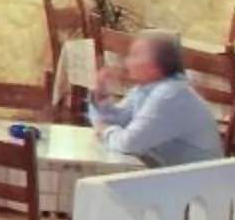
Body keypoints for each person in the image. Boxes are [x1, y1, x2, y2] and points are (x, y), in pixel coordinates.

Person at [89, 29, 225, 168]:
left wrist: (105, 130)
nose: (128, 61)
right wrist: (100, 97)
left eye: (135, 55)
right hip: (169, 175)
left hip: (195, 183)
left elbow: (129, 143)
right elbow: (120, 121)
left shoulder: (171, 95)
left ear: (155, 66)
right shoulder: (145, 89)